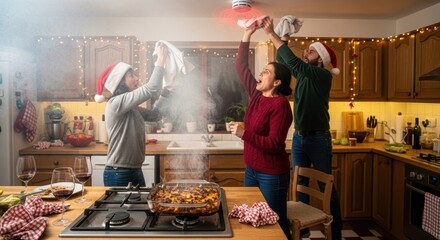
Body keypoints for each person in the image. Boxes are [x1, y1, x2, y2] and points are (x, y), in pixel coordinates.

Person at [261, 17, 343, 240]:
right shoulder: (306, 75)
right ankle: (303, 230)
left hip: (318, 139)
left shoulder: (321, 76)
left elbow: (294, 63)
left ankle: (336, 233)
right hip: (299, 138)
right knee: (300, 186)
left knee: (326, 185)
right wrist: (284, 35)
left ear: (320, 59)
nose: (306, 53)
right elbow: (285, 62)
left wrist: (272, 33)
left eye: (311, 52)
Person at [229, 22, 294, 240]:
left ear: (276, 82)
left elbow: (275, 144)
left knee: (274, 223)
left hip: (272, 174)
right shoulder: (256, 95)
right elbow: (241, 67)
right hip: (252, 170)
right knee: (252, 220)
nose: (261, 73)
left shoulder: (280, 105)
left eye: (266, 72)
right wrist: (247, 33)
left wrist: (243, 134)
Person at [94, 43, 168, 187]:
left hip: (135, 170)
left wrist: (165, 95)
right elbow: (151, 88)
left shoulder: (131, 108)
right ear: (120, 81)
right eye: (131, 75)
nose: (136, 79)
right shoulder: (115, 103)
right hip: (119, 172)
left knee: (138, 210)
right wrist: (161, 60)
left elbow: (155, 115)